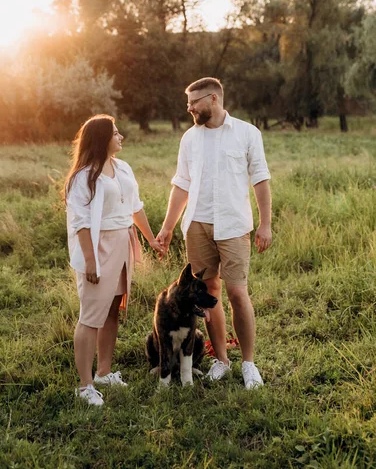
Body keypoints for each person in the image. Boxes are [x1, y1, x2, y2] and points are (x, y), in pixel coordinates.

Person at [157, 78, 272, 388]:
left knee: (237, 292)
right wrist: (168, 227)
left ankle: (248, 364)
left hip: (234, 225)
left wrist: (265, 223)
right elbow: (181, 184)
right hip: (196, 225)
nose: (189, 108)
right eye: (188, 103)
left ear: (213, 99)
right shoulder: (189, 139)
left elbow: (260, 180)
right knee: (208, 294)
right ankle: (221, 359)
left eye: (194, 102)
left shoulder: (247, 133)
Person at [65, 114, 164, 406]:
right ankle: (84, 387)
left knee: (111, 311)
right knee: (90, 315)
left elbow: (136, 208)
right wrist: (90, 261)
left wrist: (151, 239)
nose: (121, 137)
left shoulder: (123, 168)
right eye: (116, 133)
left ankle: (104, 372)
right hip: (98, 246)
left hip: (124, 242)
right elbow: (80, 223)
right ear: (101, 138)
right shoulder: (84, 176)